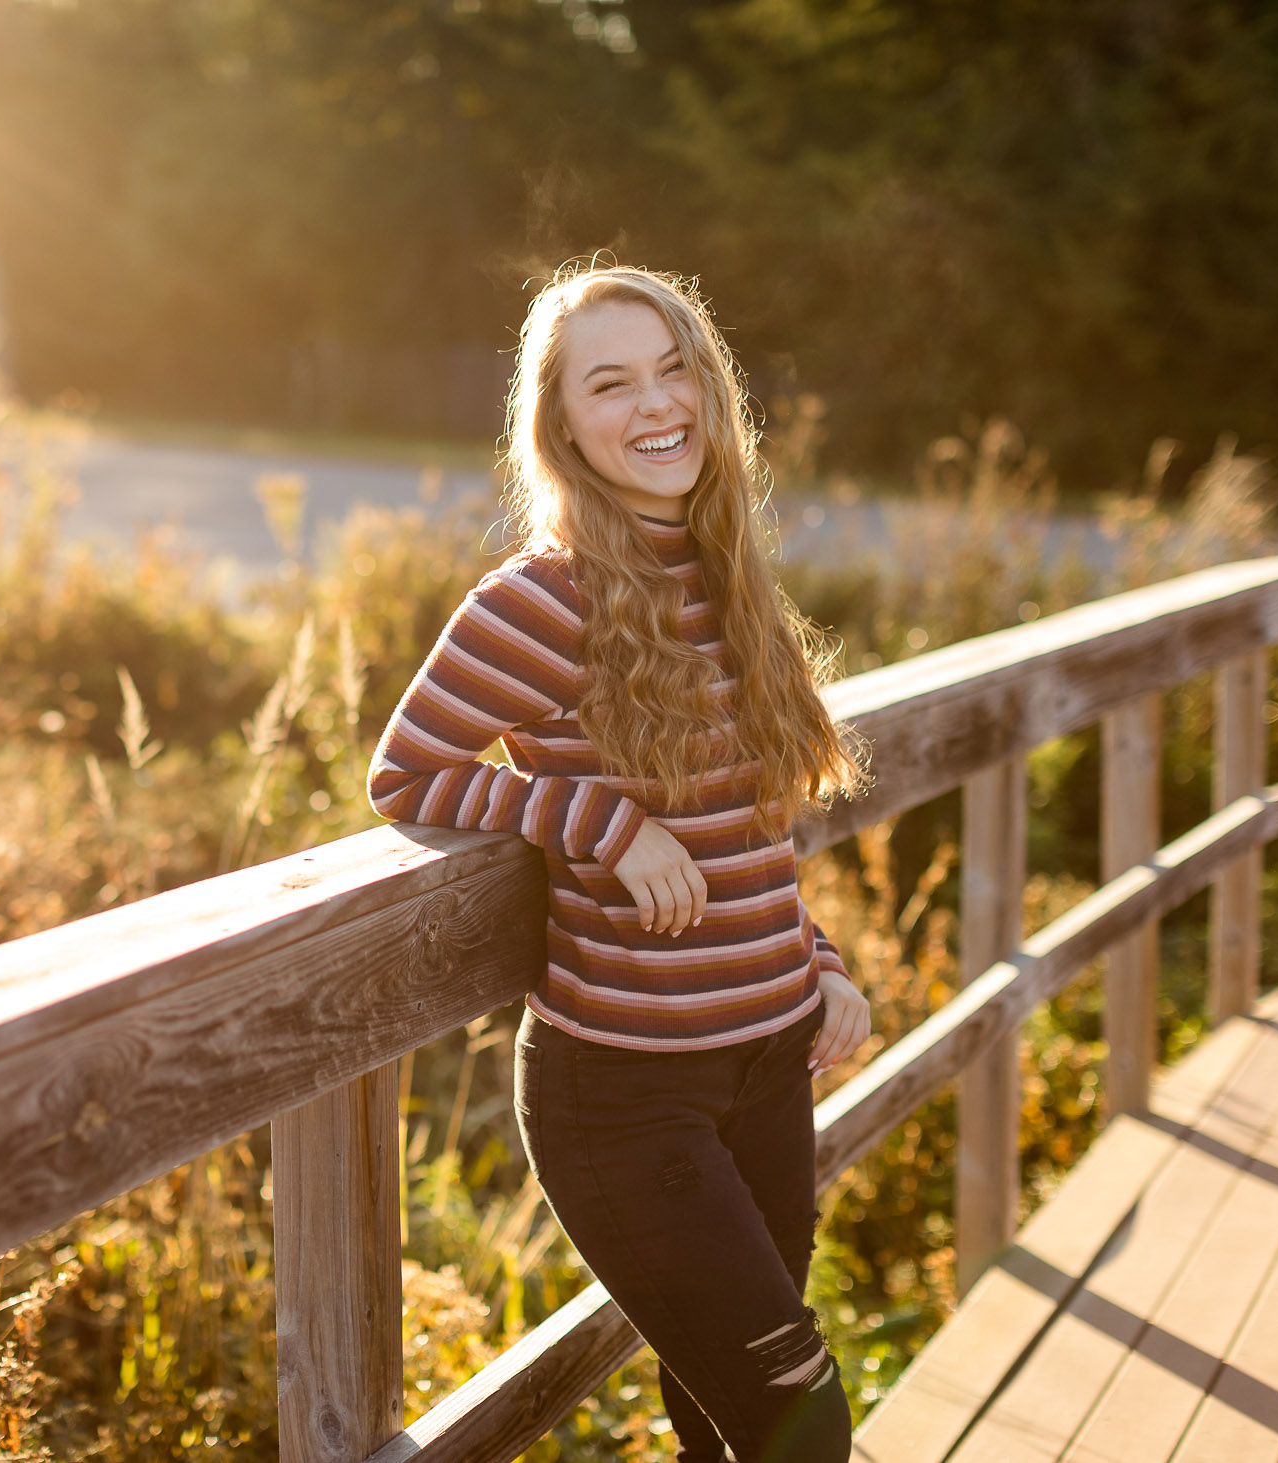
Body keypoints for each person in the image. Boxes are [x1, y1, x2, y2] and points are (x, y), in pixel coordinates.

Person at [368, 263, 868, 1462]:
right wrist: (601, 823)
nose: (656, 403)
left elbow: (754, 827)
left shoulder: (723, 567)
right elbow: (406, 774)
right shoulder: (539, 600)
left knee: (722, 1421)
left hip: (768, 1064)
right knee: (803, 1420)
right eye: (612, 382)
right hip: (628, 1095)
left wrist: (819, 958)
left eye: (673, 366)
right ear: (563, 425)